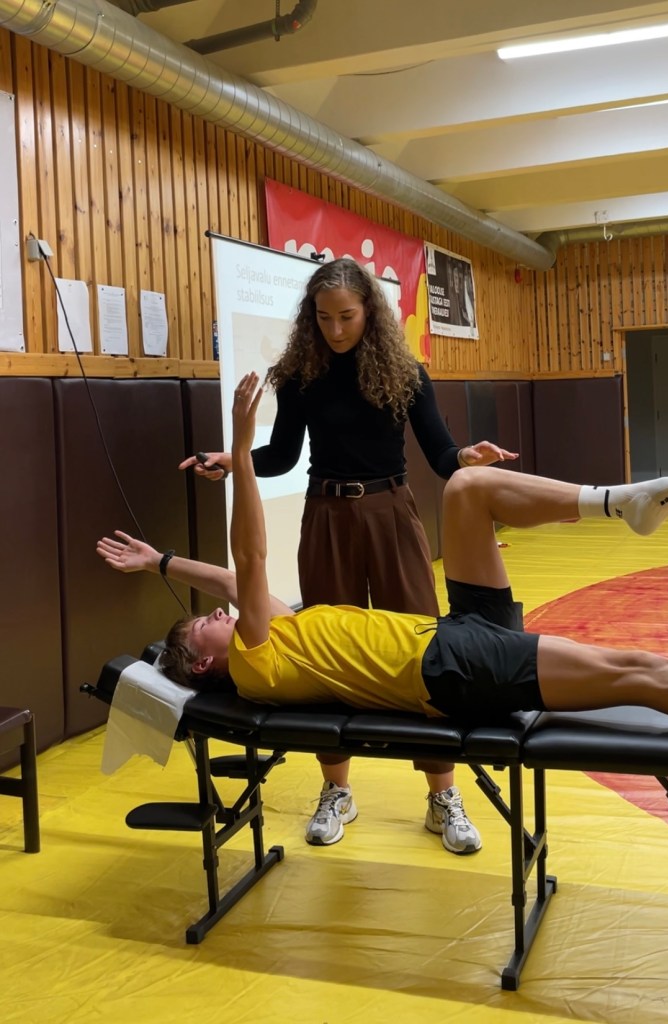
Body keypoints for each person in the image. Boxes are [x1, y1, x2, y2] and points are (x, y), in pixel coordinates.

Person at [98, 375, 668, 802]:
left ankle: (621, 501)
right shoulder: (256, 666)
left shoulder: (278, 635)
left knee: (468, 488)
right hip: (455, 670)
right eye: (204, 624)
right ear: (205, 662)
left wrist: (160, 562)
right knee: (638, 671)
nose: (217, 612)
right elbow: (250, 559)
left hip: (452, 638)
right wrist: (241, 446)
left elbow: (231, 580)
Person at [179, 258, 518, 855]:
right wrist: (233, 460)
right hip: (327, 516)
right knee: (323, 651)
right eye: (323, 317)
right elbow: (283, 456)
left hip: (391, 512)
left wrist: (467, 457)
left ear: (370, 313)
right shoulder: (300, 375)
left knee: (421, 647)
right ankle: (336, 789)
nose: (335, 329)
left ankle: (442, 794)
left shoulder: (405, 373)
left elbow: (441, 454)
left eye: (347, 317)